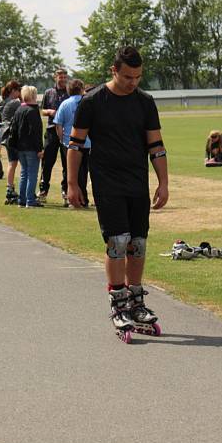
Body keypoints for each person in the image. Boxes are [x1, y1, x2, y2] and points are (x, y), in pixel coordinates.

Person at [67, 46, 169, 333]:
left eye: (137, 77)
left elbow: (156, 146)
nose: (132, 82)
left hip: (137, 181)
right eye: (127, 76)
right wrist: (73, 183)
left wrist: (163, 182)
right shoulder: (92, 101)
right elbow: (75, 145)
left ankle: (136, 301)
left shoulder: (145, 102)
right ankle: (118, 303)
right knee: (118, 242)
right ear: (114, 71)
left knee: (138, 242)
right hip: (106, 182)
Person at [53, 79, 89, 207]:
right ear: (81, 88)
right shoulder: (87, 102)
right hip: (87, 143)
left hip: (69, 143)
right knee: (84, 172)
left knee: (69, 171)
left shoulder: (64, 104)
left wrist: (61, 139)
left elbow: (58, 124)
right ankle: (83, 197)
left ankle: (71, 197)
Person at [38, 69, 69, 203]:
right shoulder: (48, 92)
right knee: (47, 162)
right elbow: (42, 110)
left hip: (66, 132)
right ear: (55, 78)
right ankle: (43, 190)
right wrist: (49, 111)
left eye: (64, 77)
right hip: (51, 131)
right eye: (60, 77)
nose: (62, 79)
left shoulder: (70, 92)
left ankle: (66, 191)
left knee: (67, 163)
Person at [10, 85, 44, 208]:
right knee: (32, 174)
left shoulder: (19, 110)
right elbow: (36, 132)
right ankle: (30, 200)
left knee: (24, 173)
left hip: (20, 147)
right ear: (33, 96)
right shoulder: (33, 111)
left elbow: (14, 129)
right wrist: (40, 149)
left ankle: (22, 200)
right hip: (31, 147)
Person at [0, 80, 22, 205]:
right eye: (18, 90)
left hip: (5, 135)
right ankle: (22, 190)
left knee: (11, 163)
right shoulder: (14, 103)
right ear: (13, 91)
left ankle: (9, 188)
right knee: (21, 162)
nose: (20, 93)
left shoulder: (2, 103)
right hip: (13, 136)